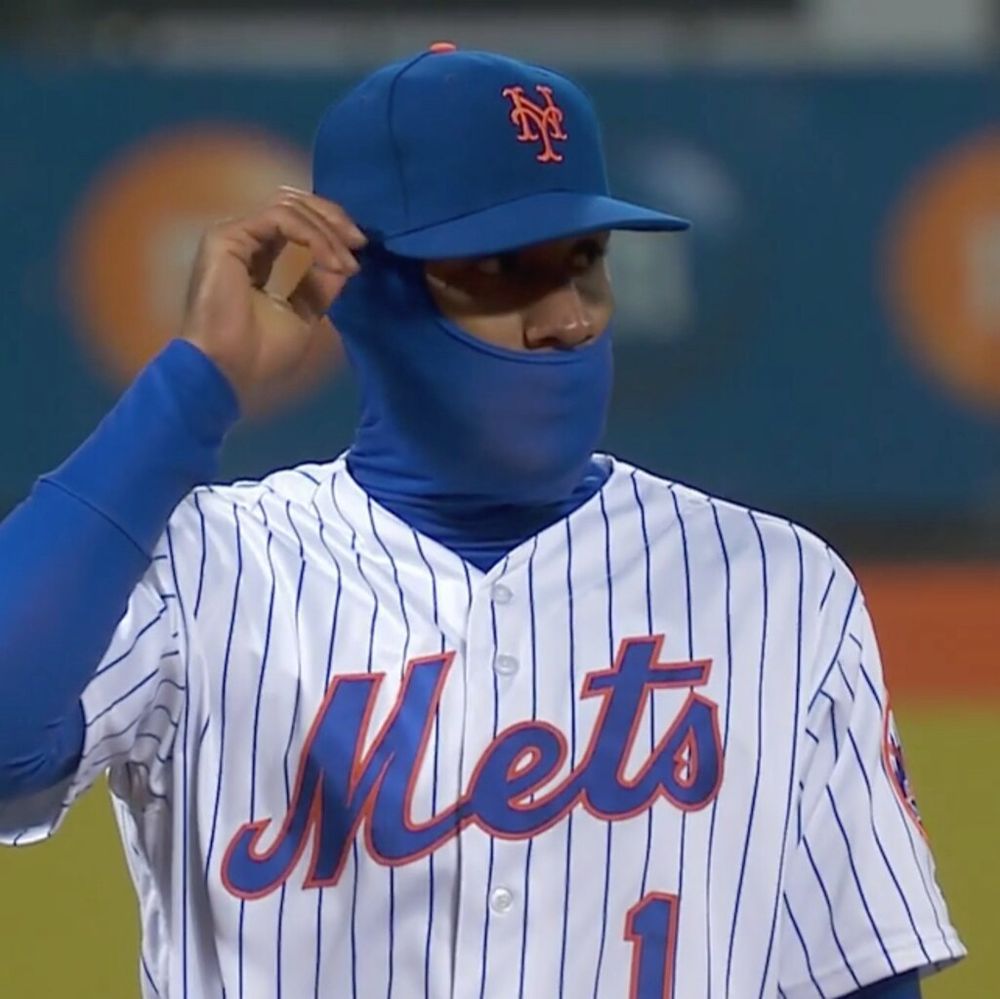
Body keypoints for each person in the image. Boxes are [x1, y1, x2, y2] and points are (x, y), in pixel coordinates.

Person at [0, 45, 963, 999]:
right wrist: (196, 384)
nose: (568, 318)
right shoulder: (202, 569)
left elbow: (863, 981)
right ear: (357, 289)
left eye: (584, 262)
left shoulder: (780, 587)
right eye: (503, 270)